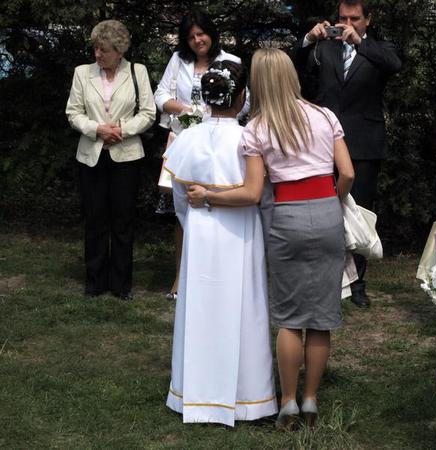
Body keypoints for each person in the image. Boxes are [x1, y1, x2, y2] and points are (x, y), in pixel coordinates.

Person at [187, 48, 355, 429]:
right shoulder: (325, 116)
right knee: (321, 318)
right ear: (292, 76)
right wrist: (332, 202)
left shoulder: (257, 129)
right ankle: (311, 400)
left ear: (258, 84)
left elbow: (251, 192)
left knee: (291, 319)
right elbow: (346, 173)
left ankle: (288, 402)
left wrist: (208, 196)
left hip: (286, 218)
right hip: (327, 213)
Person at [163, 60, 278, 426]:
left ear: (206, 98)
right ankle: (248, 397)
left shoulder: (187, 138)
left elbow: (180, 200)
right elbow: (263, 196)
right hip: (242, 230)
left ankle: (192, 392)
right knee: (244, 304)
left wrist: (195, 219)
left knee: (199, 305)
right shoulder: (248, 139)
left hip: (199, 231)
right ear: (242, 96)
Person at [295, 0, 401, 308]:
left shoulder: (378, 48)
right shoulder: (324, 48)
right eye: (343, 18)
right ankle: (326, 278)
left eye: (354, 18)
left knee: (361, 212)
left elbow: (394, 65)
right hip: (323, 143)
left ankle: (357, 283)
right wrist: (308, 40)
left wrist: (360, 44)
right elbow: (294, 69)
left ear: (368, 19)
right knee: (322, 210)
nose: (347, 24)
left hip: (364, 143)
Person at [154, 9, 247, 300]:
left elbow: (244, 103)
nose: (197, 40)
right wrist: (186, 110)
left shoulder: (231, 61)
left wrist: (213, 114)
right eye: (191, 36)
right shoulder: (178, 60)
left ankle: (220, 278)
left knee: (217, 205)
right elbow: (160, 96)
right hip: (185, 143)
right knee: (184, 210)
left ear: (212, 33)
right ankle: (180, 279)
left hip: (220, 142)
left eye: (201, 34)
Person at [66, 20, 155, 300]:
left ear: (119, 50)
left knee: (123, 221)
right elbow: (73, 112)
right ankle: (94, 281)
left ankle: (121, 284)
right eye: (95, 48)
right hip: (91, 156)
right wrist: (97, 129)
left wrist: (122, 130)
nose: (97, 54)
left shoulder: (137, 71)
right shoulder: (82, 73)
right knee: (94, 220)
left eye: (103, 50)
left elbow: (148, 112)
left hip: (126, 156)